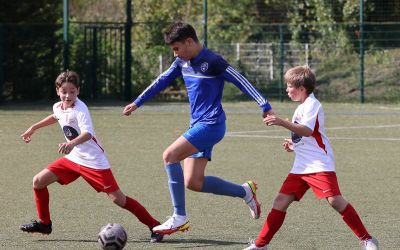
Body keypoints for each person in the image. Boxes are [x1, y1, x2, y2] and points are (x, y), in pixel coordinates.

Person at [123, 21, 274, 235]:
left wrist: (265, 105)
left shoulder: (213, 61)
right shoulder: (181, 63)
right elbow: (162, 80)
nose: (175, 54)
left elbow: (241, 80)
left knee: (169, 156)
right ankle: (244, 191)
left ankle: (179, 217)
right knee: (193, 182)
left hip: (211, 124)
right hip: (197, 125)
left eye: (177, 49)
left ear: (189, 41)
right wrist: (138, 102)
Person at [20, 70, 164, 243]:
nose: (67, 96)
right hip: (74, 158)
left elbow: (87, 133)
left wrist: (71, 144)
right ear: (57, 90)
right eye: (64, 92)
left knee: (118, 199)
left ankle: (156, 226)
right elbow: (56, 116)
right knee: (38, 181)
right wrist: (34, 127)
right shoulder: (58, 106)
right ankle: (44, 224)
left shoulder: (81, 109)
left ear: (78, 91)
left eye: (72, 92)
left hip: (93, 161)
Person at [244, 65, 379, 250]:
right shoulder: (302, 107)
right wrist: (294, 145)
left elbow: (307, 130)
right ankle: (260, 245)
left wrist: (281, 121)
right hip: (301, 165)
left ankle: (367, 239)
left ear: (301, 88)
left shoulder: (313, 104)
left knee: (335, 201)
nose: (286, 89)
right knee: (280, 202)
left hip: (319, 163)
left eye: (289, 86)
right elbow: (305, 135)